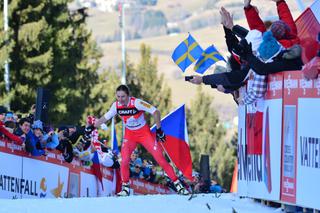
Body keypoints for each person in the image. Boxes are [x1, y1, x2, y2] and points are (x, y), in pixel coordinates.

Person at [94, 84, 189, 196]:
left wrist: (159, 130)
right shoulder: (116, 106)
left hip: (144, 134)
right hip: (130, 135)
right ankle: (125, 188)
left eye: (123, 96)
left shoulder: (137, 103)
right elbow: (105, 118)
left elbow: (156, 112)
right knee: (124, 161)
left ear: (128, 95)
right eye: (118, 97)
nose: (120, 100)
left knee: (160, 159)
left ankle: (178, 185)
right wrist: (92, 126)